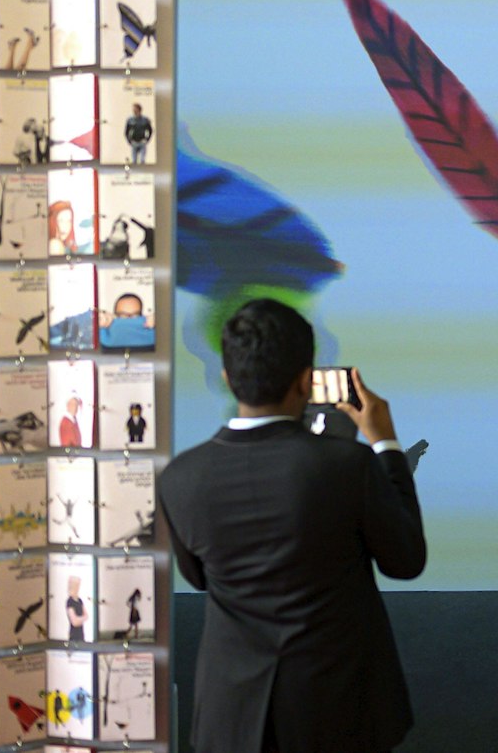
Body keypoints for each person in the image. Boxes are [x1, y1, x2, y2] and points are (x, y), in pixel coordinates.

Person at [158, 299, 425, 753]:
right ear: (306, 381)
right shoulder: (349, 465)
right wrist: (385, 443)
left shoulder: (180, 477)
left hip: (232, 716)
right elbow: (406, 561)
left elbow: (199, 578)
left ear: (227, 377)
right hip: (338, 709)